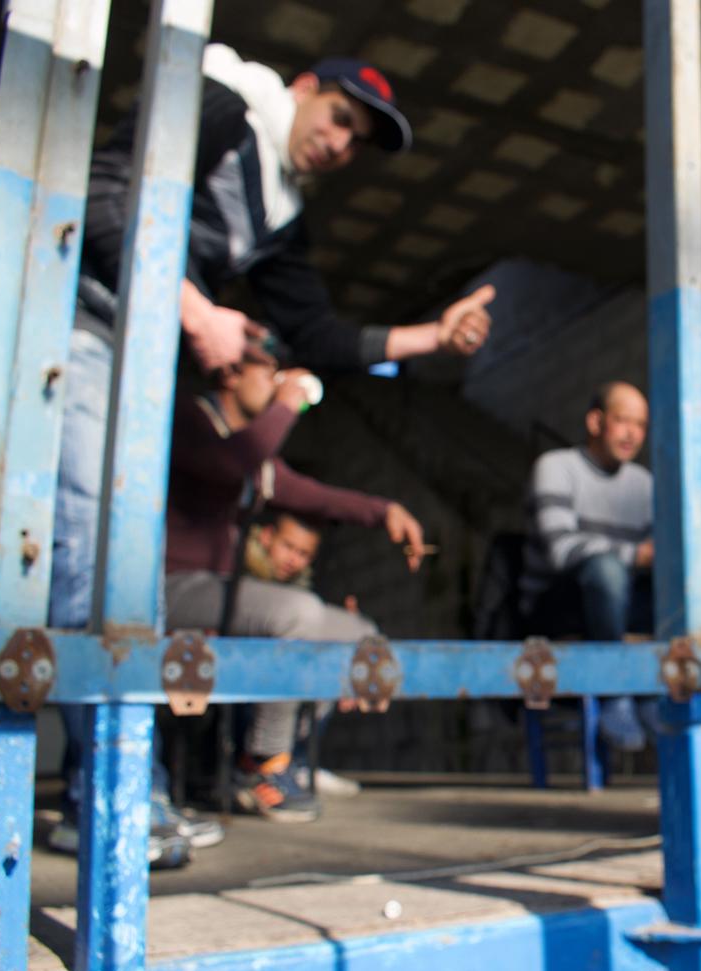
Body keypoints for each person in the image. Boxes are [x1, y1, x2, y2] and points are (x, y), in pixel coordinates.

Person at [50, 45, 493, 858]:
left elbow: (321, 334)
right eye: (339, 119)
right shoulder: (229, 103)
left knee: (118, 578)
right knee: (89, 559)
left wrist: (433, 334)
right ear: (302, 89)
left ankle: (121, 790)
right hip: (76, 326)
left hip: (136, 357)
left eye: (355, 142)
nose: (340, 145)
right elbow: (108, 194)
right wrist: (198, 313)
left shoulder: (280, 215)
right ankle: (109, 797)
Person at [162, 337, 425, 821]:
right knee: (297, 613)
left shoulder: (254, 457)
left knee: (356, 632)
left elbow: (313, 495)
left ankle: (293, 754)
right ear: (230, 373)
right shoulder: (191, 419)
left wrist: (384, 510)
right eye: (268, 368)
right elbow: (234, 461)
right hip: (172, 589)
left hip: (220, 596)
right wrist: (287, 404)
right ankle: (261, 764)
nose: (280, 377)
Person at [521, 382, 655, 752]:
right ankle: (614, 690)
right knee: (606, 571)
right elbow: (561, 551)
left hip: (619, 603)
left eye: (640, 425)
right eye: (622, 421)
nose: (633, 434)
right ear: (596, 422)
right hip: (558, 606)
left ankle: (655, 690)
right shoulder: (555, 467)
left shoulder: (645, 485)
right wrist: (638, 556)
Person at [243, 511, 364, 799]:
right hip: (244, 680)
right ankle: (262, 766)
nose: (294, 559)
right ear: (266, 536)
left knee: (326, 659)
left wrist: (350, 674)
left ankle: (295, 763)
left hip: (281, 689)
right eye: (288, 547)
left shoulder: (303, 586)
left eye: (304, 554)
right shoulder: (239, 571)